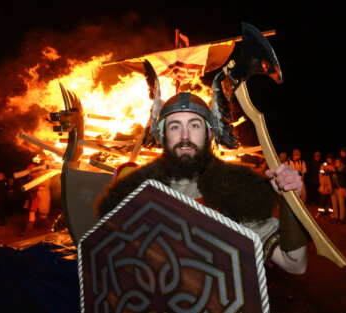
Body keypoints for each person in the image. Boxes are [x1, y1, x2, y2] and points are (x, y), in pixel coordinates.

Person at [96, 92, 309, 274]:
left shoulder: (234, 191)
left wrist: (289, 201)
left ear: (208, 134)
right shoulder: (136, 189)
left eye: (194, 125)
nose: (185, 136)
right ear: (162, 136)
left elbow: (295, 264)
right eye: (175, 127)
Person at [19, 164, 52, 236]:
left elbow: (42, 188)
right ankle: (27, 231)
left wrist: (29, 187)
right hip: (33, 197)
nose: (30, 173)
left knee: (42, 215)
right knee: (32, 213)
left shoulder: (42, 177)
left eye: (31, 171)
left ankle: (49, 227)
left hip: (39, 197)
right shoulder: (32, 177)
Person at [330, 156, 346, 224]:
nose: (336, 163)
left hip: (341, 188)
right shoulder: (334, 169)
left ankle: (341, 219)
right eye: (336, 162)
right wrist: (331, 172)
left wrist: (336, 171)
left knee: (341, 204)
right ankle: (335, 217)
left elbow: (343, 177)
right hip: (334, 188)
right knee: (334, 203)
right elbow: (333, 178)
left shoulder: (344, 169)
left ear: (341, 163)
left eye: (338, 162)